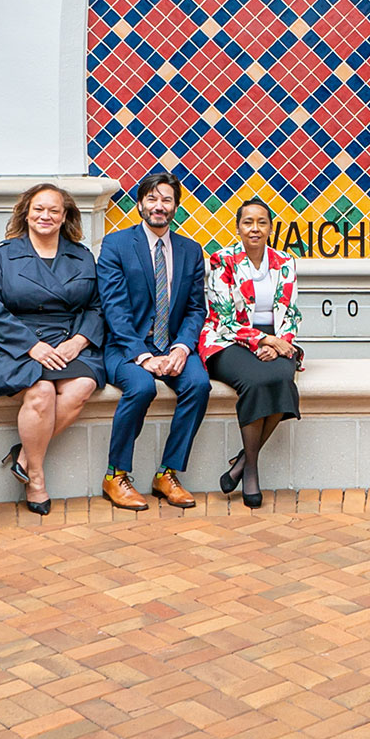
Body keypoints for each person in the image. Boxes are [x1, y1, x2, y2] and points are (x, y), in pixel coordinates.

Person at [0, 182, 104, 516]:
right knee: (42, 391)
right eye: (39, 209)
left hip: (69, 342)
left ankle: (24, 453)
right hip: (15, 345)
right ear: (26, 213)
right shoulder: (3, 256)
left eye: (54, 210)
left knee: (82, 386)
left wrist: (79, 341)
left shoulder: (81, 255)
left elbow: (97, 307)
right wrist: (31, 346)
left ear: (65, 217)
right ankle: (35, 477)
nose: (45, 216)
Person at [96, 169, 211, 511]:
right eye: (152, 198)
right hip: (125, 346)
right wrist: (142, 357)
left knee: (199, 384)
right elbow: (114, 310)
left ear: (176, 206)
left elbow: (195, 308)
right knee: (142, 387)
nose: (159, 206)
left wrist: (181, 347)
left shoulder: (191, 250)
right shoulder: (117, 245)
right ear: (140, 203)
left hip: (171, 345)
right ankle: (115, 474)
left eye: (167, 200)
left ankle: (167, 473)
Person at [201, 197, 303, 510]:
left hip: (273, 343)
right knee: (257, 382)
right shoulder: (222, 261)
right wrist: (264, 341)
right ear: (238, 227)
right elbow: (224, 318)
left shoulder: (285, 262)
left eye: (262, 222)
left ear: (270, 228)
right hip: (226, 341)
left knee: (284, 377)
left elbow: (290, 312)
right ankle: (252, 471)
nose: (255, 228)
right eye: (248, 222)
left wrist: (280, 342)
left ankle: (243, 461)